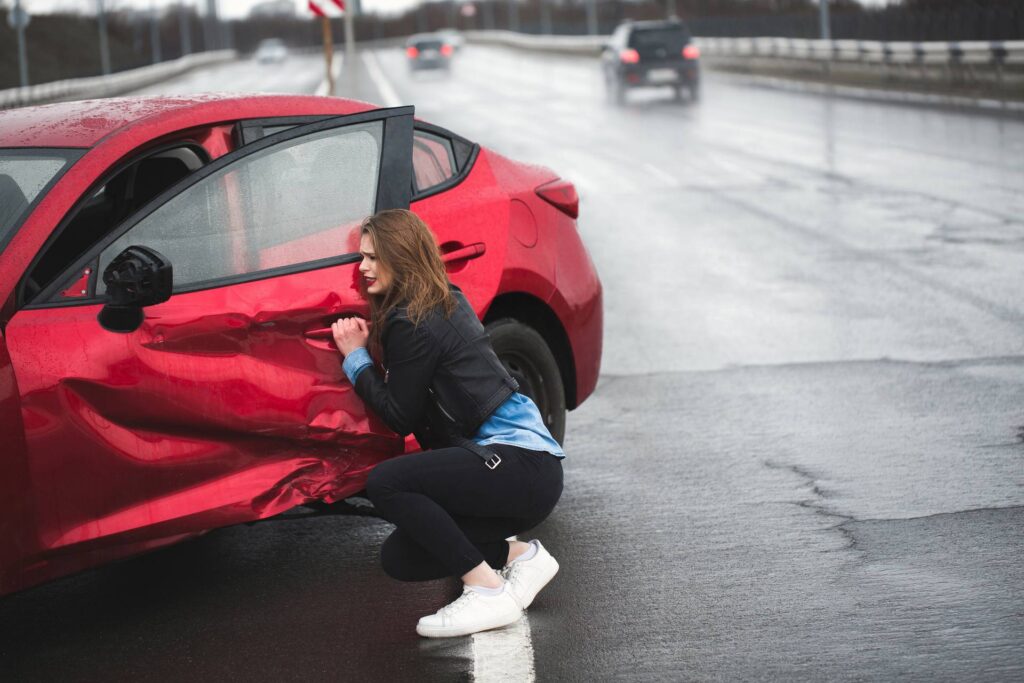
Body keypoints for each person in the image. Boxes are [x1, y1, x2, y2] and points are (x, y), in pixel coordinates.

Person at [330, 209, 565, 639]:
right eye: (362, 256)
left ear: (401, 256)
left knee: (386, 482)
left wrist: (355, 358)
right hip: (524, 471)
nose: (362, 267)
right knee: (402, 556)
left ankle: (487, 591)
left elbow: (399, 417)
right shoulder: (443, 299)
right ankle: (520, 556)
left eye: (373, 257)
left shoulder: (413, 321)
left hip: (520, 465)